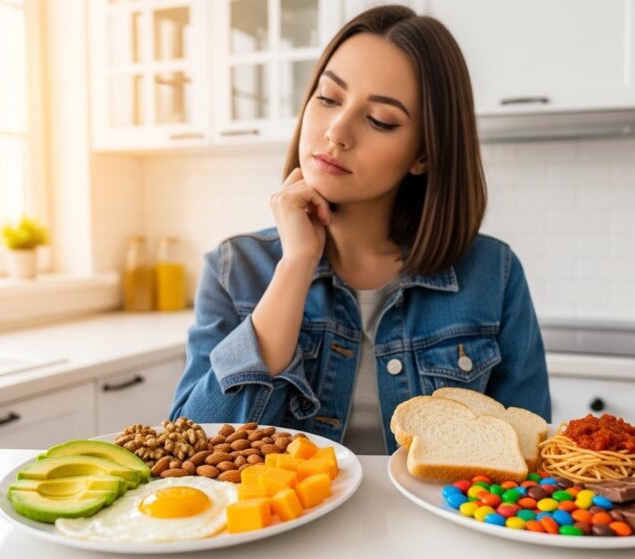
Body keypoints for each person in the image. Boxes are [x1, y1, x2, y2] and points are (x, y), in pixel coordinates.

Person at [170, 5, 550, 455]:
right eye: (328, 98)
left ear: (423, 155)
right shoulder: (236, 270)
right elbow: (192, 453)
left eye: (380, 121)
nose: (337, 132)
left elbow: (531, 459)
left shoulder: (494, 275)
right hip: (291, 527)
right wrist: (295, 266)